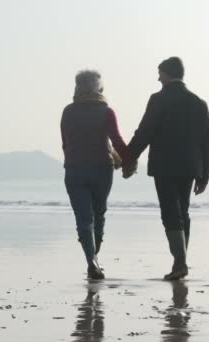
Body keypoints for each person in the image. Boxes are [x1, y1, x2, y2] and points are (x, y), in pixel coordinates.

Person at [124, 57, 209, 280]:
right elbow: (208, 141)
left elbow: (144, 132)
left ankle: (180, 264)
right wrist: (204, 175)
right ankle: (180, 263)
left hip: (164, 166)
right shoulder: (199, 103)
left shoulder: (158, 99)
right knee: (183, 212)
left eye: (160, 73)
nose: (158, 78)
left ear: (167, 74)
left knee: (170, 214)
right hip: (190, 167)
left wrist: (127, 157)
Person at [61, 70, 135, 280]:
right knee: (99, 213)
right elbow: (117, 141)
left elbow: (65, 143)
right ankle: (95, 257)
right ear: (98, 88)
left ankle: (91, 260)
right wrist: (129, 160)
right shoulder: (106, 111)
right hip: (101, 169)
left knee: (83, 218)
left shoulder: (68, 111)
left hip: (74, 169)